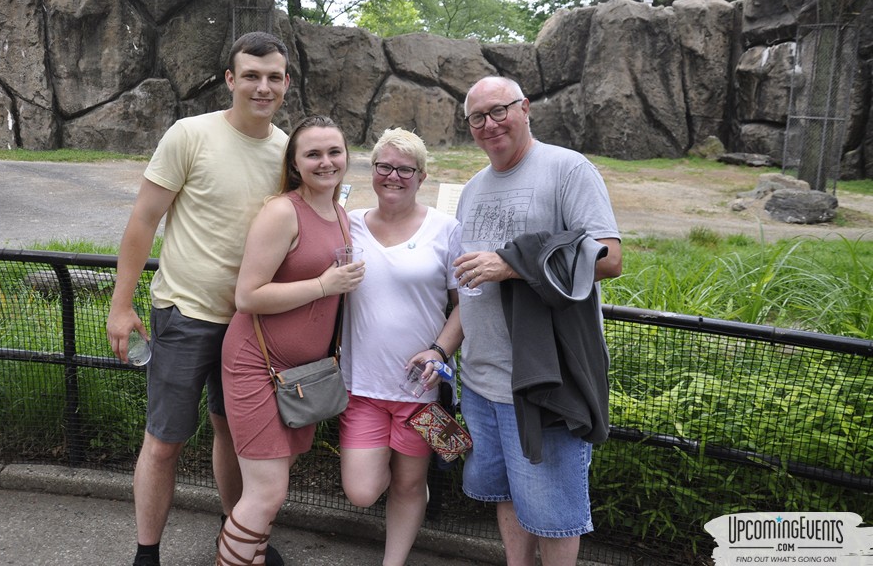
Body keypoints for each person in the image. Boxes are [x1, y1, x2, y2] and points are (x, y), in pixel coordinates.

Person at [106, 31, 292, 566]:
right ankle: (147, 553)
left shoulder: (287, 152)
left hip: (252, 325)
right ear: (231, 80)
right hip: (185, 314)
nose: (263, 86)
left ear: (285, 83)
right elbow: (143, 220)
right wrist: (122, 305)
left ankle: (240, 536)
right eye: (251, 76)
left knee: (235, 436)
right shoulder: (190, 135)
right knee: (164, 441)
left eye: (273, 77)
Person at [453, 76, 623, 566]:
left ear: (525, 108)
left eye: (499, 110)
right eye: (477, 117)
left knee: (553, 509)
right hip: (481, 381)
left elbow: (609, 258)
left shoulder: (567, 169)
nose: (490, 124)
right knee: (507, 492)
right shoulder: (472, 189)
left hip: (543, 379)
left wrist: (512, 265)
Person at [216, 115, 365, 566]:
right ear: (296, 164)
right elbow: (248, 295)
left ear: (346, 157)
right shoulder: (283, 211)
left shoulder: (339, 213)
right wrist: (323, 286)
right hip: (258, 366)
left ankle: (252, 558)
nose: (326, 162)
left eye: (334, 152)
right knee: (267, 490)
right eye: (313, 154)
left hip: (302, 377)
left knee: (273, 486)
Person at [337, 128, 464, 566]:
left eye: (404, 169)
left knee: (409, 485)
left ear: (422, 176)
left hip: (420, 390)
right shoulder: (348, 223)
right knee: (361, 490)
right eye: (384, 166)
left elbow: (463, 306)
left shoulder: (446, 229)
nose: (393, 176)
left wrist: (440, 350)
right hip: (363, 386)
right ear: (372, 170)